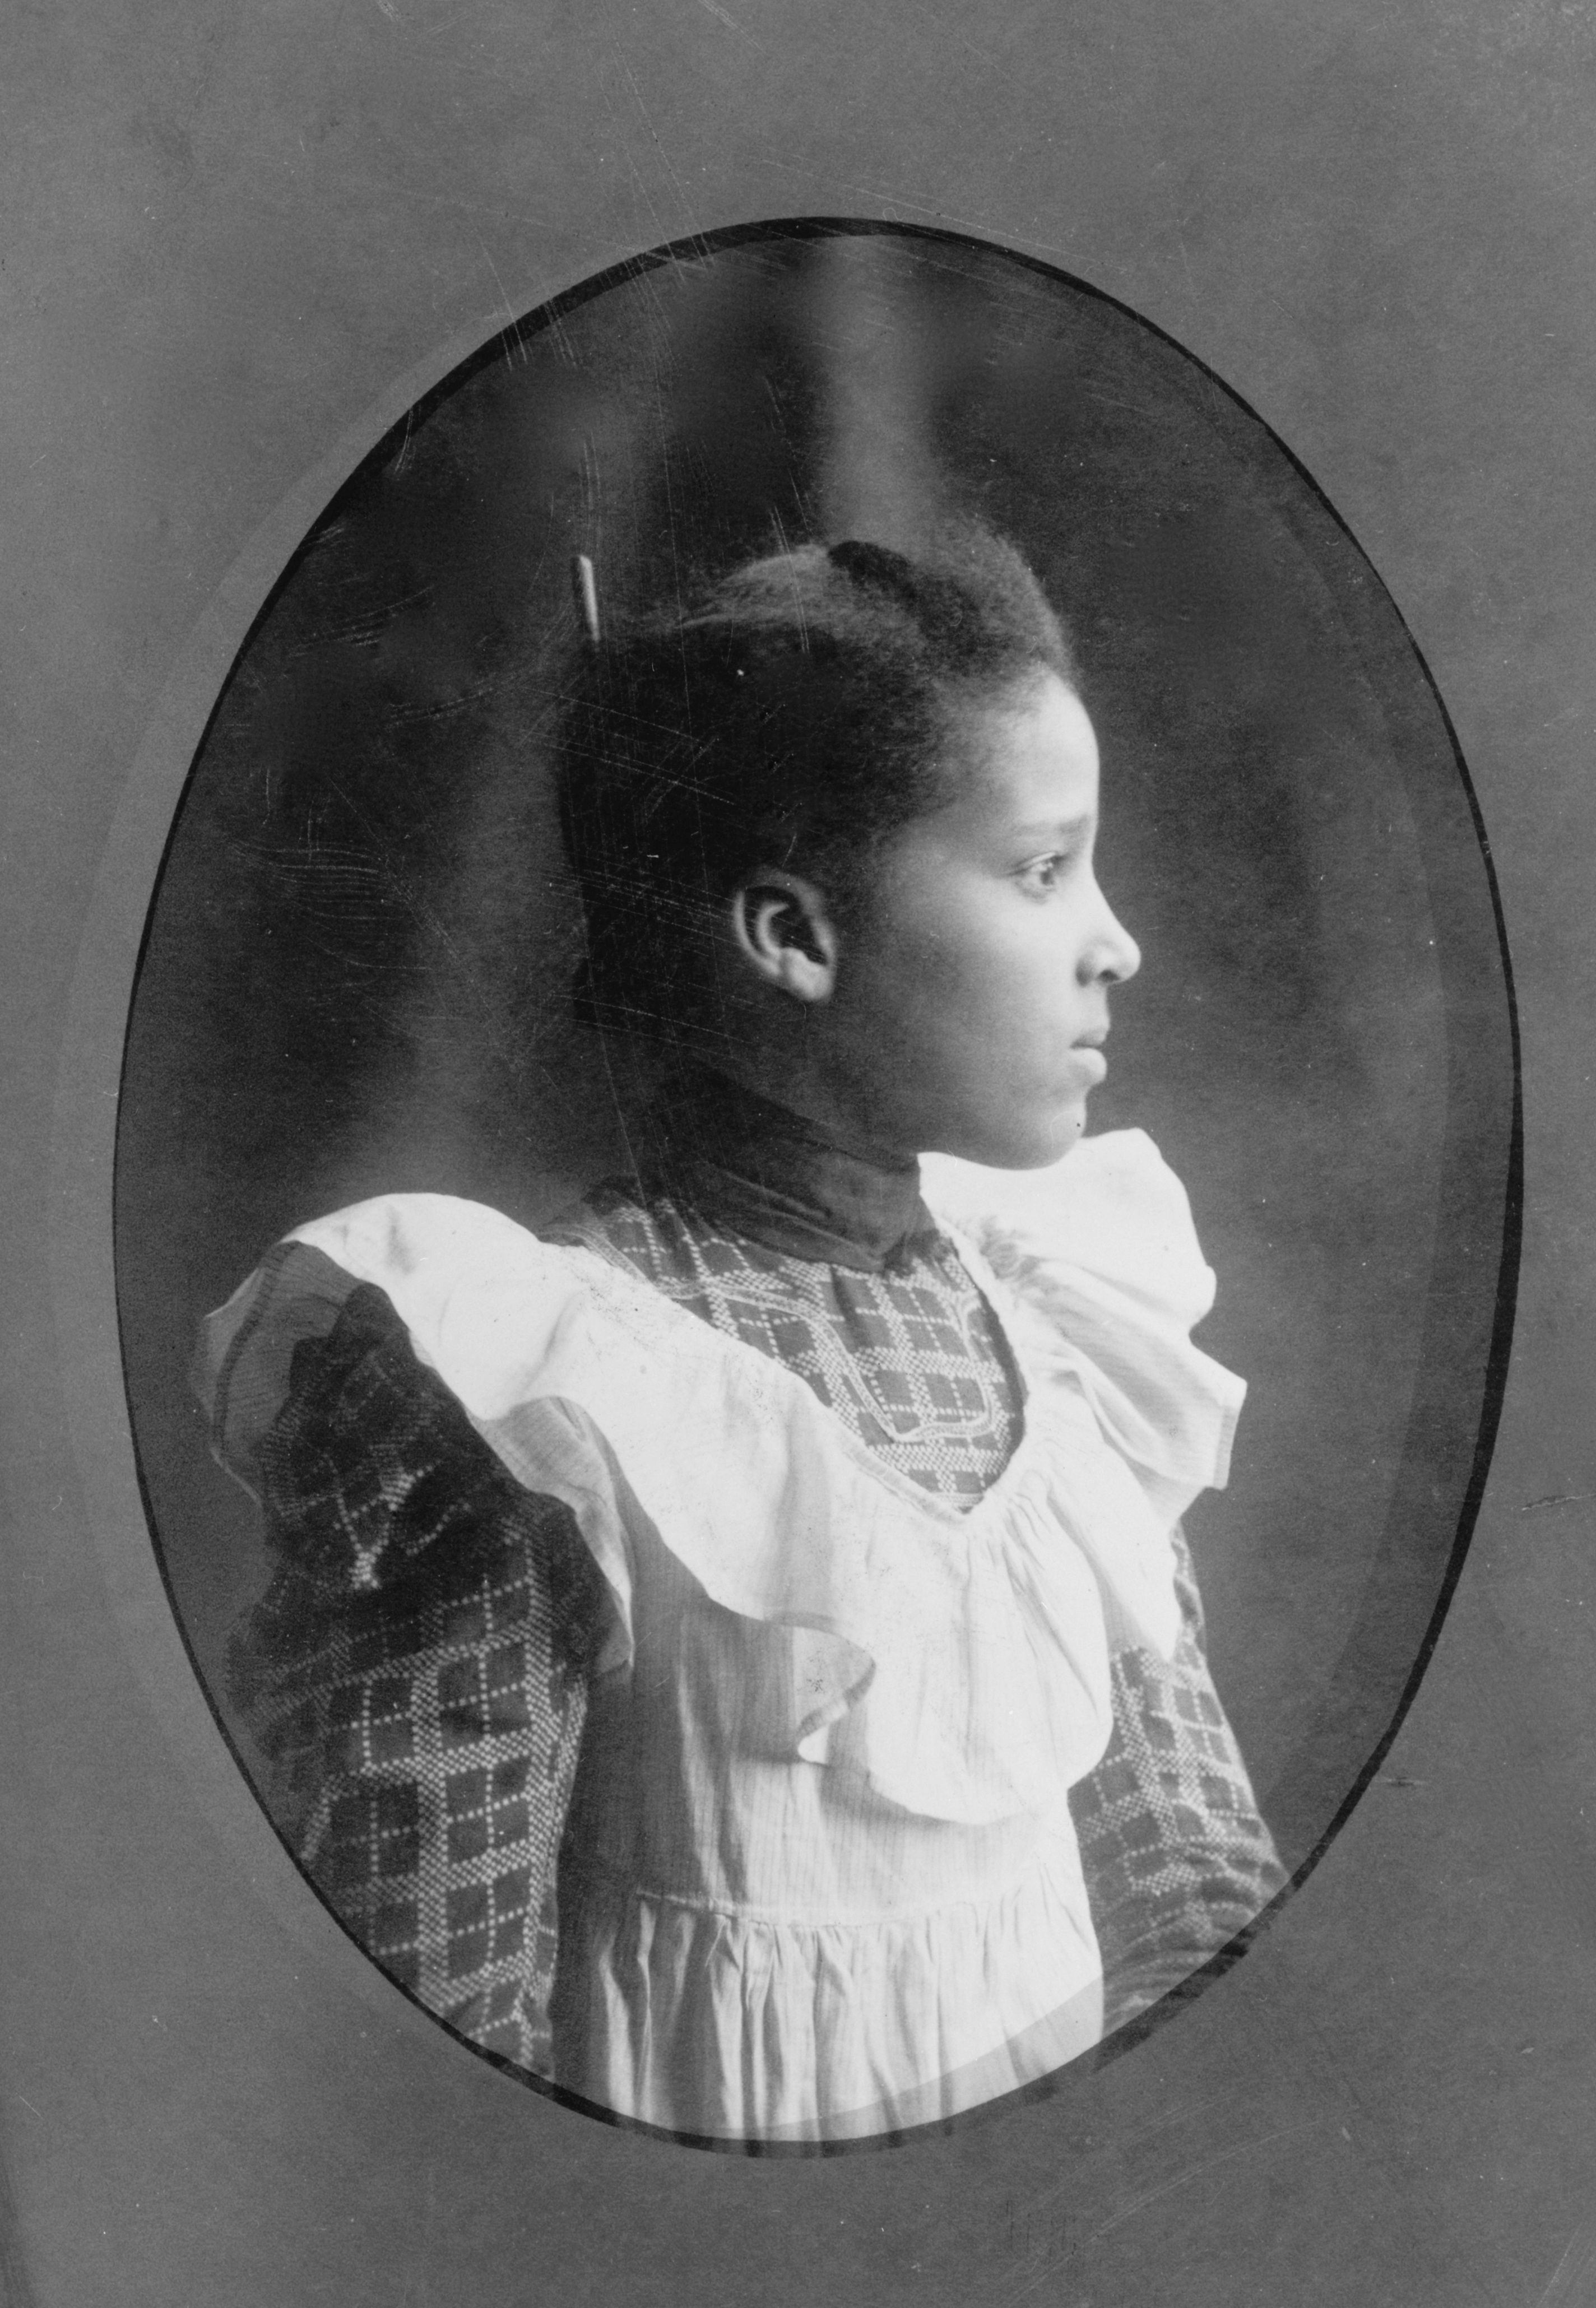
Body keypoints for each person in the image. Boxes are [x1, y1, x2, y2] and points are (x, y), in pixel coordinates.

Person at [195, 528, 1286, 2147]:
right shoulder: (541, 1397)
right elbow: (433, 2023)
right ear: (792, 936)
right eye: (1043, 869)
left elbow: (1190, 1869)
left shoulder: (1064, 1328)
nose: (1112, 940)